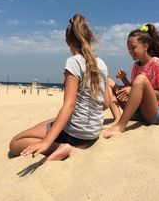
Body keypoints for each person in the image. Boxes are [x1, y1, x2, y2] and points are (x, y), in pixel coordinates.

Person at [9, 14, 109, 162]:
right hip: (93, 132)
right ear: (89, 39)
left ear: (68, 42)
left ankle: (58, 147)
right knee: (46, 123)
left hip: (75, 135)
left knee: (15, 142)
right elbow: (105, 103)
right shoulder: (102, 64)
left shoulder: (74, 62)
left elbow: (69, 105)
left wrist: (46, 142)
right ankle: (58, 138)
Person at [103, 24, 159, 138]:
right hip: (139, 111)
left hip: (155, 113)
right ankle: (117, 119)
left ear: (145, 46)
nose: (130, 51)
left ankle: (121, 126)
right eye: (128, 48)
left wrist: (135, 89)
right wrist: (124, 79)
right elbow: (134, 90)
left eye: (133, 47)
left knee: (140, 79)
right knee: (108, 81)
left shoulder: (157, 63)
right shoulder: (136, 66)